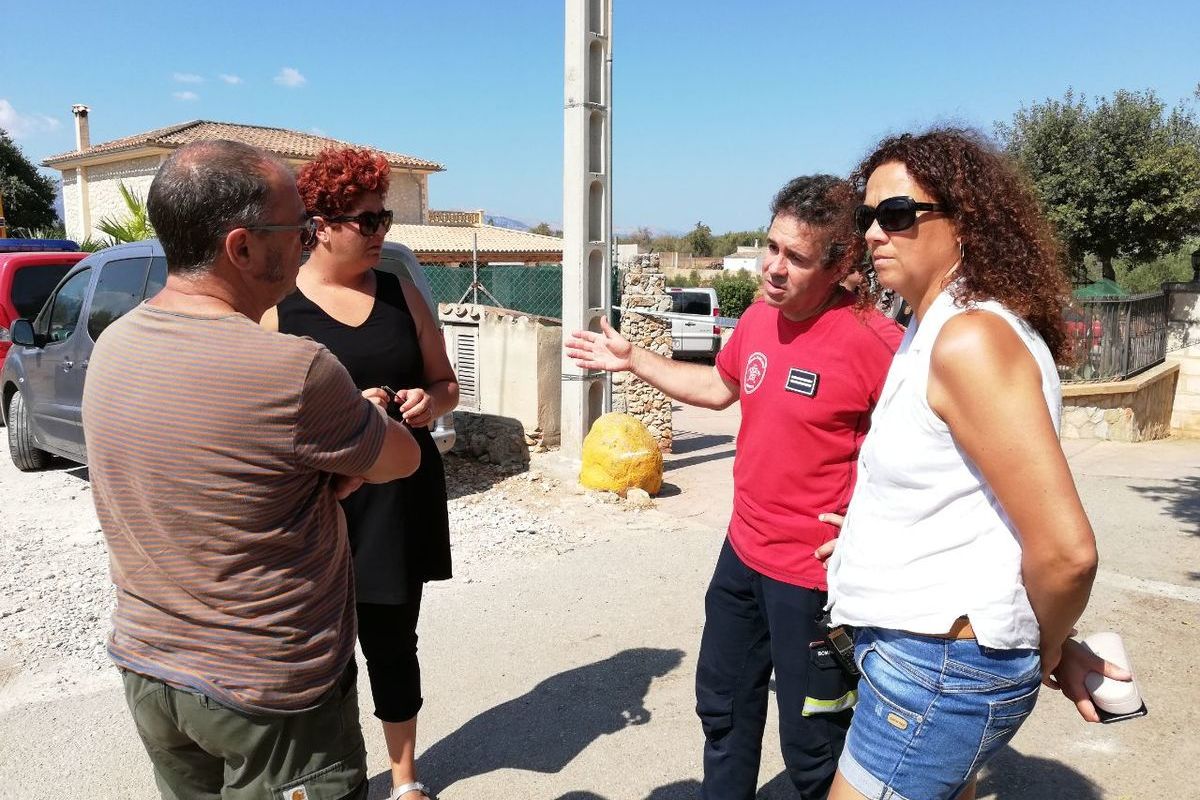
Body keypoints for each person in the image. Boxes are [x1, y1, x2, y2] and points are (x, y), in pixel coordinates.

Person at [82, 140, 422, 800]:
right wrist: (351, 440)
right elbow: (401, 458)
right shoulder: (293, 369)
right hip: (269, 693)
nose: (305, 242)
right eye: (295, 229)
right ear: (241, 247)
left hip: (152, 671)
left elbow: (205, 475)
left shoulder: (115, 345)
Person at [566, 175, 904, 800]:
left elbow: (929, 454)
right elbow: (720, 390)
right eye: (770, 247)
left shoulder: (876, 344)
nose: (774, 268)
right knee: (722, 713)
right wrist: (634, 358)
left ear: (839, 264)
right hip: (741, 559)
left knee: (815, 745)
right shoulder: (756, 318)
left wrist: (875, 528)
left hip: (815, 584)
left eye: (796, 257)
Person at [823, 128, 1111, 800]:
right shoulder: (937, 327)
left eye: (896, 215)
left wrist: (1051, 645)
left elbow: (1067, 553)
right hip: (932, 661)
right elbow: (974, 499)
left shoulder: (970, 339)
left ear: (966, 223)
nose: (872, 234)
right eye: (866, 216)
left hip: (938, 672)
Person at [262, 146, 458, 800]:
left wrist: (433, 402)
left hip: (399, 499)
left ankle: (405, 780)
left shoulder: (400, 292)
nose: (382, 233)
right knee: (318, 652)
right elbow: (261, 418)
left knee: (393, 641)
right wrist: (345, 414)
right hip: (318, 504)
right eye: (367, 222)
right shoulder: (277, 308)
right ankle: (330, 777)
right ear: (318, 224)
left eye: (385, 218)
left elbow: (446, 382)